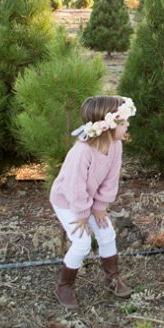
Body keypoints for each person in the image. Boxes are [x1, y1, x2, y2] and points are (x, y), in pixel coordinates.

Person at [49, 95, 136, 309]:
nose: (128, 125)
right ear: (108, 125)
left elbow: (110, 179)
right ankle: (64, 286)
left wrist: (99, 207)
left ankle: (112, 277)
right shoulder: (83, 152)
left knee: (107, 233)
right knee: (82, 242)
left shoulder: (115, 146)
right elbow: (74, 186)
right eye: (124, 121)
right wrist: (82, 215)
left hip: (90, 201)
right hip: (68, 202)